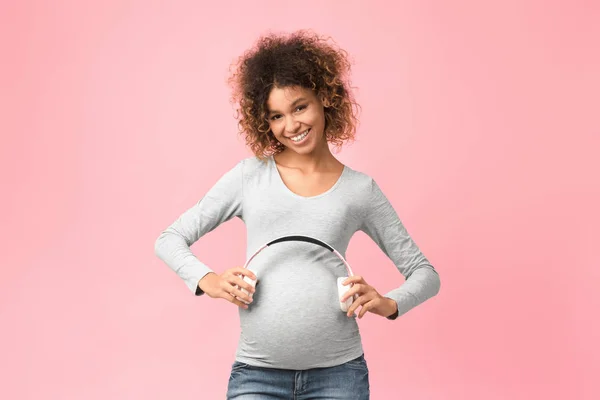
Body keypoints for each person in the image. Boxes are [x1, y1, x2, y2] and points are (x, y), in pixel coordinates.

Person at [154, 30, 441, 400]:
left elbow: (425, 274)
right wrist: (207, 280)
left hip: (340, 377)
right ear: (265, 122)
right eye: (276, 116)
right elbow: (169, 239)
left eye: (299, 107)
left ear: (324, 99)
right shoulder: (249, 177)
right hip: (256, 376)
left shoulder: (359, 190)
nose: (291, 126)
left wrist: (387, 303)